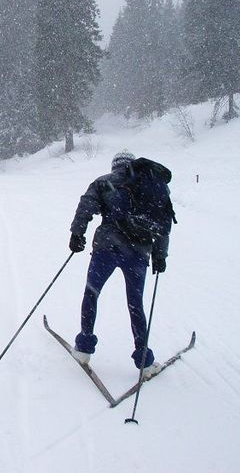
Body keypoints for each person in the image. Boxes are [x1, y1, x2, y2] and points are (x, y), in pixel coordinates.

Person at [68, 150, 171, 377]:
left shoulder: (105, 181)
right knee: (135, 304)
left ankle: (84, 347)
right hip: (138, 253)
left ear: (115, 165)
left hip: (106, 248)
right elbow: (163, 221)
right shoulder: (149, 185)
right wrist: (160, 256)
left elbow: (86, 205)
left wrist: (77, 234)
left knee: (92, 293)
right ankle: (144, 361)